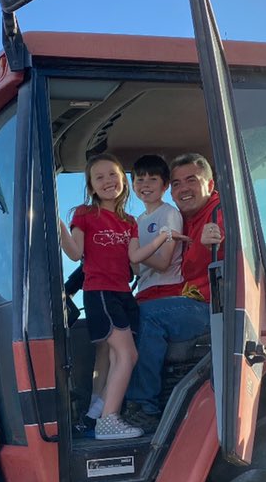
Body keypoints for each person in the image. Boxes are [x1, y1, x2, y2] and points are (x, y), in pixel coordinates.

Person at [59, 153, 186, 440]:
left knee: (120, 356)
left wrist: (162, 238)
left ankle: (100, 414)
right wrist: (58, 226)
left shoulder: (128, 221)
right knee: (127, 354)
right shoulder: (85, 214)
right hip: (100, 292)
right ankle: (108, 419)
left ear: (122, 182)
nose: (108, 181)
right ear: (91, 187)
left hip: (124, 294)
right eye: (99, 177)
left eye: (113, 175)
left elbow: (135, 257)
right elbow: (75, 253)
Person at [124, 153, 224, 432]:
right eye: (178, 183)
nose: (183, 189)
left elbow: (203, 260)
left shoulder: (220, 212)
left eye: (191, 180)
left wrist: (206, 243)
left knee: (146, 316)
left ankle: (143, 407)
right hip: (191, 301)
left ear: (210, 184)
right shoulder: (185, 218)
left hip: (214, 306)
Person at [131, 154, 184, 303]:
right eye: (140, 180)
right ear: (133, 186)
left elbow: (163, 263)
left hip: (166, 289)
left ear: (165, 185)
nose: (145, 185)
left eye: (153, 179)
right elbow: (139, 268)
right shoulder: (138, 221)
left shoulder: (169, 213)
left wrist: (133, 253)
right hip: (144, 289)